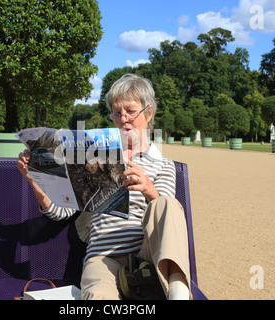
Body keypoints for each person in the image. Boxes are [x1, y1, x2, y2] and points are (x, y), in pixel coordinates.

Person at [17, 74, 191, 300]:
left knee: (165, 203)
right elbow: (59, 212)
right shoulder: (93, 158)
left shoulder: (162, 165)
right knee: (99, 296)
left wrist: (148, 188)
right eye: (117, 113)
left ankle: (178, 292)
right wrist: (34, 178)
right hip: (103, 255)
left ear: (149, 113)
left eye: (130, 111)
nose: (123, 119)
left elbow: (166, 219)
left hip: (146, 253)